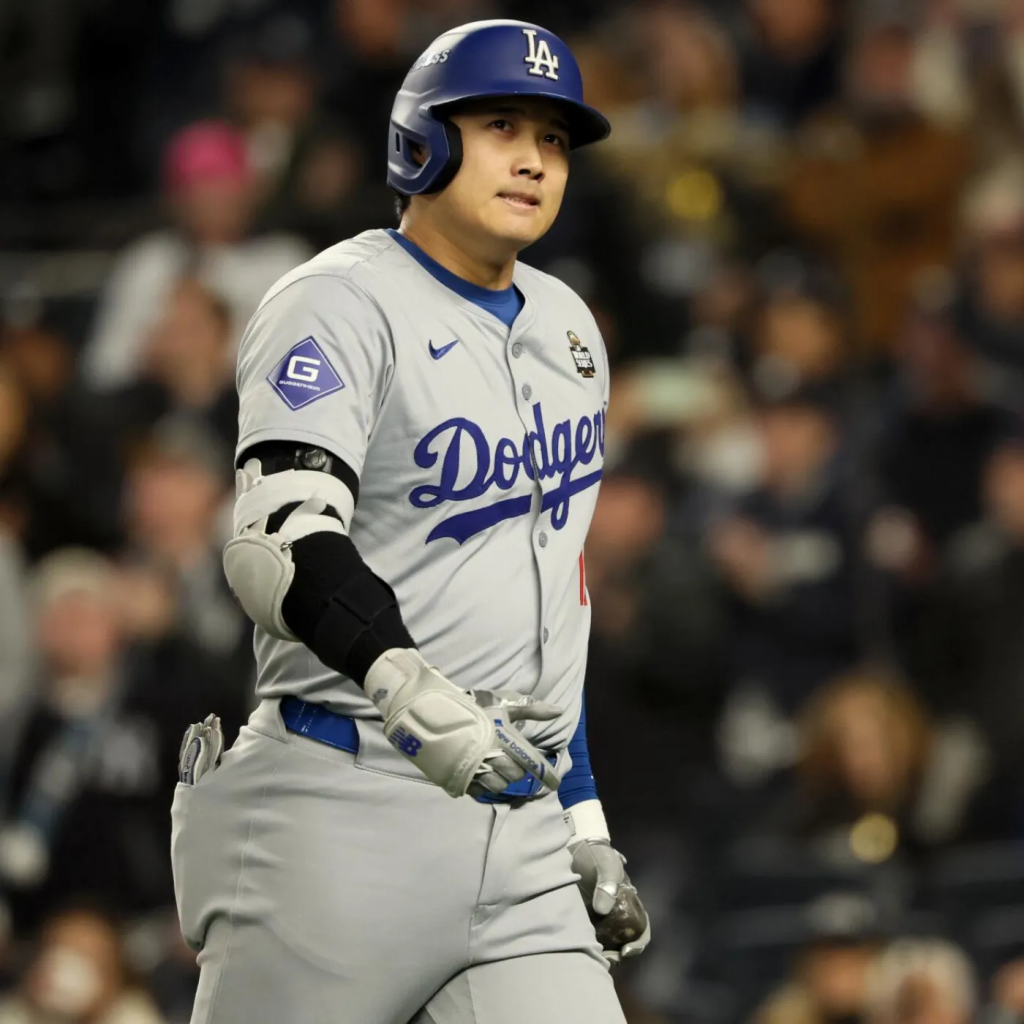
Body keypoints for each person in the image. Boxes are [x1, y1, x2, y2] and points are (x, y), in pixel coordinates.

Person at [171, 19, 649, 1024]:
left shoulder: (570, 328)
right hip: (340, 805)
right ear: (422, 141)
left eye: (554, 139)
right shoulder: (337, 302)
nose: (533, 159)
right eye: (502, 126)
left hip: (518, 829)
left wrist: (582, 816)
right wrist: (404, 685)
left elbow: (551, 601)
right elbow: (276, 545)